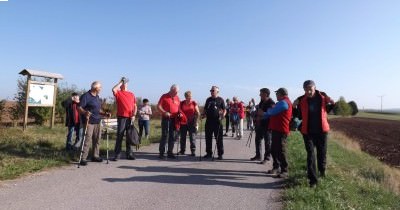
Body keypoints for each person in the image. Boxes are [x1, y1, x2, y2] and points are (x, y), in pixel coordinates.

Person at [293, 80, 335, 187]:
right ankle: (313, 181)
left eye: (310, 89)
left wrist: (332, 102)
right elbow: (298, 116)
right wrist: (294, 107)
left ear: (315, 88)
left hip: (322, 131)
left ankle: (322, 170)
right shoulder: (301, 100)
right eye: (306, 90)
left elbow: (331, 108)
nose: (308, 92)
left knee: (322, 153)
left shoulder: (323, 97)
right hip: (308, 132)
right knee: (311, 155)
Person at [259, 88, 292, 178]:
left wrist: (266, 112)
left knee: (280, 150)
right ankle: (276, 167)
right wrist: (267, 113)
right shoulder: (282, 102)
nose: (276, 96)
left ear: (281, 94)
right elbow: (272, 112)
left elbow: (273, 112)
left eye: (277, 94)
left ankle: (284, 170)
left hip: (281, 130)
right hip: (276, 129)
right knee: (274, 150)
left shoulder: (284, 102)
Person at [78, 81, 111, 166]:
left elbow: (97, 109)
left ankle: (95, 156)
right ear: (95, 88)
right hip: (89, 121)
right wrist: (85, 112)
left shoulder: (97, 97)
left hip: (97, 120)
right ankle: (83, 158)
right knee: (87, 139)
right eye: (100, 88)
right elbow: (79, 107)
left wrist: (104, 114)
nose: (101, 89)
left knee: (97, 139)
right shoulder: (86, 96)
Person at [110, 77, 137, 161]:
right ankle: (117, 154)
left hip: (130, 117)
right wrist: (121, 82)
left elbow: (135, 106)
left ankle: (129, 154)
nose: (125, 84)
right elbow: (113, 89)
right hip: (122, 117)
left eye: (125, 83)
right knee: (120, 135)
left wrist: (134, 115)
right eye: (123, 84)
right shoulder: (118, 92)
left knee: (129, 136)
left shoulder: (131, 94)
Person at [250, 88, 275, 163]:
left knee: (267, 142)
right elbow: (259, 111)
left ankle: (267, 158)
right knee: (257, 140)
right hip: (259, 124)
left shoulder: (271, 102)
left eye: (261, 93)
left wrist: (261, 114)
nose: (259, 95)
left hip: (267, 125)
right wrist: (255, 115)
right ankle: (258, 155)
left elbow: (270, 114)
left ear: (265, 94)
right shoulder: (262, 102)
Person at [202, 86, 226, 160]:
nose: (211, 92)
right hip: (209, 121)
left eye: (213, 90)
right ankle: (209, 153)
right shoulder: (208, 99)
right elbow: (205, 109)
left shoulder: (221, 99)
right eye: (211, 90)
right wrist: (203, 115)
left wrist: (223, 115)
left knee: (219, 138)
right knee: (208, 138)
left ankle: (220, 154)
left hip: (217, 122)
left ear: (217, 92)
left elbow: (224, 110)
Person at [157, 84, 180, 159]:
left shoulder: (177, 98)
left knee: (172, 136)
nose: (177, 93)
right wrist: (164, 112)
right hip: (166, 119)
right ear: (171, 90)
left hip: (174, 119)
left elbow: (178, 108)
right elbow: (159, 106)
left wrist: (180, 114)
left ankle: (170, 152)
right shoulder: (164, 96)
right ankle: (161, 153)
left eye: (177, 92)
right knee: (165, 135)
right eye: (176, 92)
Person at [179, 91, 200, 156]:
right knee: (183, 137)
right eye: (188, 96)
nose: (190, 97)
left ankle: (193, 151)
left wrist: (196, 122)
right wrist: (179, 115)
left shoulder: (194, 103)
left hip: (192, 122)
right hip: (183, 122)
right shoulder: (182, 103)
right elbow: (179, 111)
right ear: (185, 97)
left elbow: (197, 113)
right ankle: (182, 150)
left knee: (192, 137)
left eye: (190, 96)